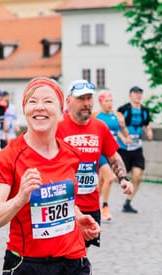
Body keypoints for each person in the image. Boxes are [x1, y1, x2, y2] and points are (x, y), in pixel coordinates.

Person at [0, 77, 100, 275]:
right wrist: (20, 198)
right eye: (32, 101)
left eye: (48, 101)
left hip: (71, 262)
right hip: (26, 266)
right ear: (24, 109)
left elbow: (62, 198)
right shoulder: (9, 157)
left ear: (61, 111)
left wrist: (77, 215)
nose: (40, 107)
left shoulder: (70, 154)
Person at [56, 79, 133, 248]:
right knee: (66, 255)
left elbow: (113, 157)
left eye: (89, 98)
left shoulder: (100, 127)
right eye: (81, 99)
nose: (86, 103)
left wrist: (123, 179)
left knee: (82, 253)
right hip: (65, 204)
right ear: (68, 101)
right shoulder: (57, 127)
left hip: (90, 204)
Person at [95, 90, 131, 221]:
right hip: (99, 152)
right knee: (109, 178)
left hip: (112, 152)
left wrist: (124, 129)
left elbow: (123, 133)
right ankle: (104, 207)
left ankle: (92, 205)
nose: (109, 103)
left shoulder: (118, 115)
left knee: (102, 181)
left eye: (111, 100)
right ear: (100, 102)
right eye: (106, 101)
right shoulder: (96, 116)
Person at [117, 86, 153, 213]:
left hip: (137, 147)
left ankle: (128, 202)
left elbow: (146, 123)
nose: (138, 96)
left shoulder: (144, 111)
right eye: (135, 93)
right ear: (130, 95)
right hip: (123, 148)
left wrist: (148, 131)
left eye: (140, 93)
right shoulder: (123, 110)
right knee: (119, 176)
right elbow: (116, 127)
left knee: (138, 176)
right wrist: (124, 137)